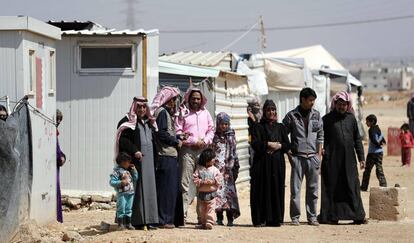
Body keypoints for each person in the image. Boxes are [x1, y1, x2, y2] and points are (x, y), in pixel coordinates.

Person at [319, 91, 366, 225]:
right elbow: (320, 138)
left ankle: (357, 216)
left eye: (344, 105)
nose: (341, 107)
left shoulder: (351, 119)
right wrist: (321, 150)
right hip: (332, 159)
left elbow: (357, 139)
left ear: (348, 105)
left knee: (352, 185)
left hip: (349, 160)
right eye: (339, 104)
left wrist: (361, 157)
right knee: (332, 187)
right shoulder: (326, 119)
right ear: (335, 104)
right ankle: (331, 216)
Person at [115, 96, 159, 230]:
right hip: (135, 163)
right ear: (134, 107)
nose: (141, 109)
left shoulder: (150, 122)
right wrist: (135, 151)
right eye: (139, 106)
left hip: (149, 163)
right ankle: (136, 221)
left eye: (144, 107)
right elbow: (122, 141)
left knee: (150, 190)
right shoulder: (127, 122)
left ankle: (150, 220)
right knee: (135, 191)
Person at [282, 87, 323, 226]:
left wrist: (319, 155)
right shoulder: (291, 116)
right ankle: (295, 217)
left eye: (313, 100)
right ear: (303, 100)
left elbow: (320, 136)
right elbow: (283, 135)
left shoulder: (317, 115)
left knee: (313, 190)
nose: (312, 103)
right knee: (295, 190)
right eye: (310, 100)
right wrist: (288, 153)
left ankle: (312, 217)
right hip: (297, 158)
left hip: (313, 158)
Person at [175, 87, 215, 221]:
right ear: (189, 99)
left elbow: (211, 130)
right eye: (193, 98)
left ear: (201, 100)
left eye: (198, 98)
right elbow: (178, 131)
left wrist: (204, 141)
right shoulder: (183, 112)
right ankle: (183, 215)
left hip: (203, 151)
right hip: (188, 151)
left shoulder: (206, 113)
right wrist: (193, 140)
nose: (195, 101)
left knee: (202, 184)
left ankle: (202, 217)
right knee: (184, 183)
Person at [250, 100, 290, 227]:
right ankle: (260, 219)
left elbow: (287, 145)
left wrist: (278, 146)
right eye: (268, 110)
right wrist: (267, 144)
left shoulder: (281, 127)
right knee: (261, 189)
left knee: (276, 189)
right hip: (262, 165)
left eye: (273, 110)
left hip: (277, 165)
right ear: (264, 112)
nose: (271, 112)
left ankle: (275, 219)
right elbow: (254, 143)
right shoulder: (257, 126)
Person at [151, 86, 185, 229]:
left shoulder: (164, 113)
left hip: (169, 156)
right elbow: (162, 135)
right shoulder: (163, 113)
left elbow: (165, 132)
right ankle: (164, 219)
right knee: (166, 190)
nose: (175, 102)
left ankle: (170, 219)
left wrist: (178, 136)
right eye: (173, 99)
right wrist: (176, 141)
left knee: (171, 189)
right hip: (165, 156)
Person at [213, 112, 240, 227]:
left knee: (229, 195)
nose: (223, 126)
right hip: (217, 170)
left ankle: (230, 219)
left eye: (226, 124)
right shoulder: (214, 136)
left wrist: (235, 167)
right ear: (218, 124)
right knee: (218, 195)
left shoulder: (231, 135)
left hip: (228, 171)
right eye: (221, 124)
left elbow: (234, 152)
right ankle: (219, 218)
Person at [193, 148, 222, 230]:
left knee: (211, 208)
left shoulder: (215, 170)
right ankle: (203, 223)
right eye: (212, 158)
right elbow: (195, 179)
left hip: (212, 193)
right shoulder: (199, 169)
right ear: (206, 160)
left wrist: (213, 181)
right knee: (202, 209)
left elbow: (219, 179)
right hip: (202, 193)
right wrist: (202, 182)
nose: (214, 160)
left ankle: (210, 222)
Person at [110, 152, 139, 230]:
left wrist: (134, 170)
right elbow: (112, 182)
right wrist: (121, 183)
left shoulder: (128, 171)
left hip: (130, 193)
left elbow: (135, 178)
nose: (129, 163)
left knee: (129, 209)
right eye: (128, 162)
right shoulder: (116, 172)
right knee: (121, 209)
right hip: (122, 194)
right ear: (122, 162)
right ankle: (120, 225)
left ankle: (128, 224)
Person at [360, 114, 387, 191]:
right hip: (379, 153)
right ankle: (383, 185)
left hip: (372, 153)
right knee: (379, 169)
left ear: (372, 122)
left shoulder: (371, 130)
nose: (366, 123)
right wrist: (381, 144)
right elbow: (383, 140)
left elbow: (373, 140)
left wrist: (378, 144)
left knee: (367, 171)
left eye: (367, 121)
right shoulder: (378, 129)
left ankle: (364, 187)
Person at [56, 109, 66, 223]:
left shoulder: (55, 132)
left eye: (60, 119)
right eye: (57, 119)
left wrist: (63, 157)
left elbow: (58, 150)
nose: (58, 121)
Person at [247, 97, 261, 166]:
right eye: (255, 105)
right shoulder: (249, 116)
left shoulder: (260, 115)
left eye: (258, 105)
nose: (257, 107)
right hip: (251, 141)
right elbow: (249, 130)